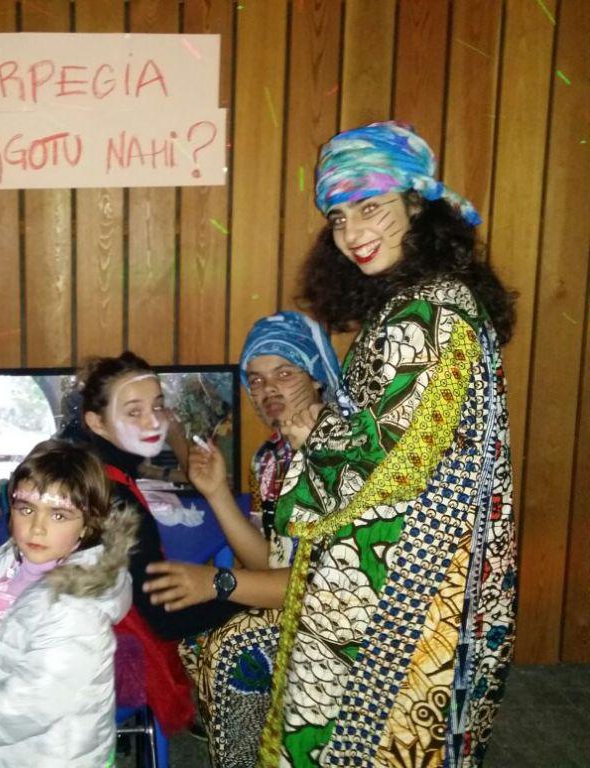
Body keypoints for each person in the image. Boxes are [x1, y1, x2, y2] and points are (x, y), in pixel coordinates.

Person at [260, 121, 516, 767]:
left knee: (361, 734)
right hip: (427, 557)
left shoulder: (425, 312)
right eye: (338, 217)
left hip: (399, 572)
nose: (352, 234)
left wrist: (310, 438)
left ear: (417, 205)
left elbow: (386, 460)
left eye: (370, 207)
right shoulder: (432, 299)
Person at [143, 311, 344, 767]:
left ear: (317, 377)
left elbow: (325, 586)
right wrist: (216, 492)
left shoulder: (343, 455)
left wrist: (216, 582)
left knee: (234, 643)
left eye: (284, 374)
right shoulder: (271, 458)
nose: (267, 390)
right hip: (294, 599)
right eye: (255, 380)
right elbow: (268, 564)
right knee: (191, 632)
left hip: (346, 619)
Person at [78, 353, 244, 735]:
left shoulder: (98, 468)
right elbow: (165, 622)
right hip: (115, 654)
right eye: (133, 412)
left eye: (157, 407)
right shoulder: (116, 500)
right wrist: (249, 593)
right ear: (97, 423)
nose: (153, 422)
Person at [0, 440, 136, 767]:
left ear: (87, 525)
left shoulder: (75, 607)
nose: (37, 527)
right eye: (27, 509)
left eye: (59, 514)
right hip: (6, 741)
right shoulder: (8, 562)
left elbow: (38, 699)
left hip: (55, 752)